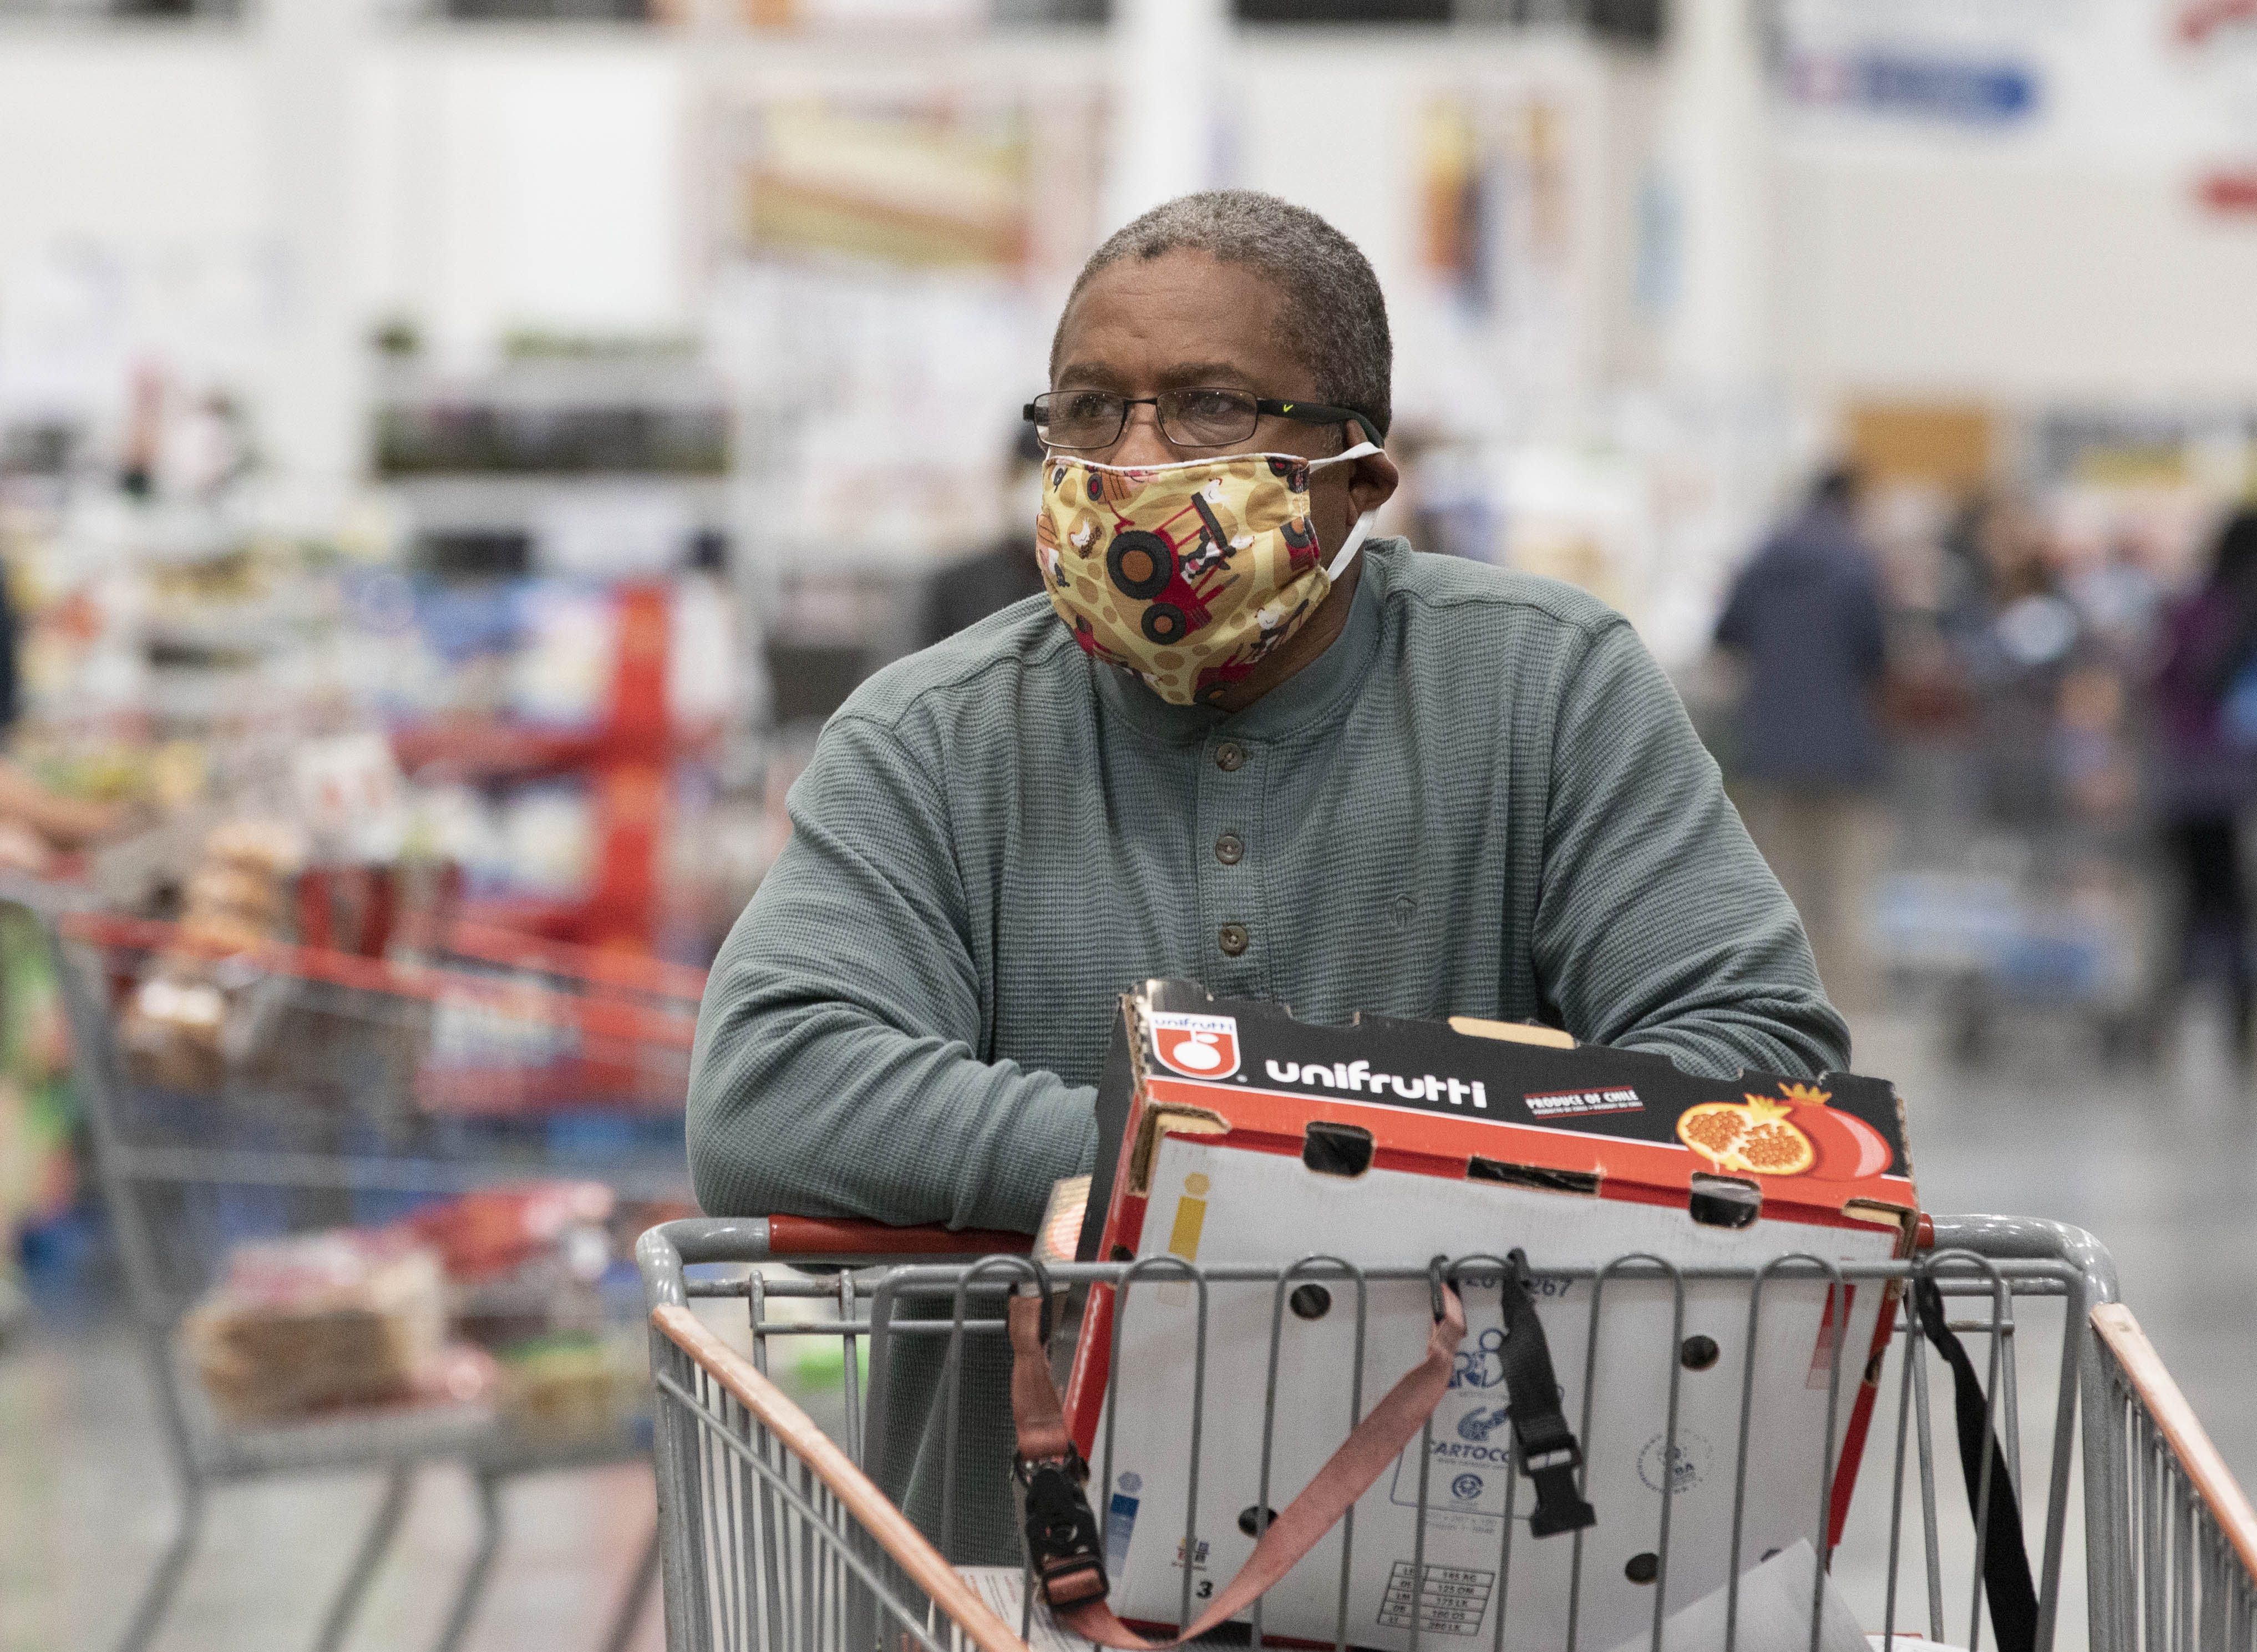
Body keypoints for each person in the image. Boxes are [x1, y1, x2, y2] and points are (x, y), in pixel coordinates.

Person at [688, 191, 1845, 1559]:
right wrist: (1231, 1160)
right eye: (1085, 411)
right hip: (1020, 1578)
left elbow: (1759, 1067)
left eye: (1210, 410)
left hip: (1460, 1556)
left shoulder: (1546, 688)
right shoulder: (932, 733)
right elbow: (771, 1084)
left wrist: (1309, 1160)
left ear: (1359, 468)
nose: (1130, 463)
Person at [1713, 467, 1889, 1007]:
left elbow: (1725, 634)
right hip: (1843, 746)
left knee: (1774, 879)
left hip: (1769, 743)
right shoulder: (1856, 562)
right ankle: (1843, 997)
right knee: (1843, 884)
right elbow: (1875, 655)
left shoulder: (1764, 558)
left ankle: (1777, 993)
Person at [2153, 507, 2257, 1056]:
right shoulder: (2242, 607)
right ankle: (2238, 1015)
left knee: (2190, 898)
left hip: (2187, 777)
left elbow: (2163, 679)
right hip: (2241, 779)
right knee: (2236, 901)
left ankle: (2169, 1014)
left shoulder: (2189, 606)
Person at [918, 427, 1051, 646]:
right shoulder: (957, 586)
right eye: (1026, 475)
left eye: (1050, 476)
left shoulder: (1087, 585)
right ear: (1007, 481)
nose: (1038, 493)